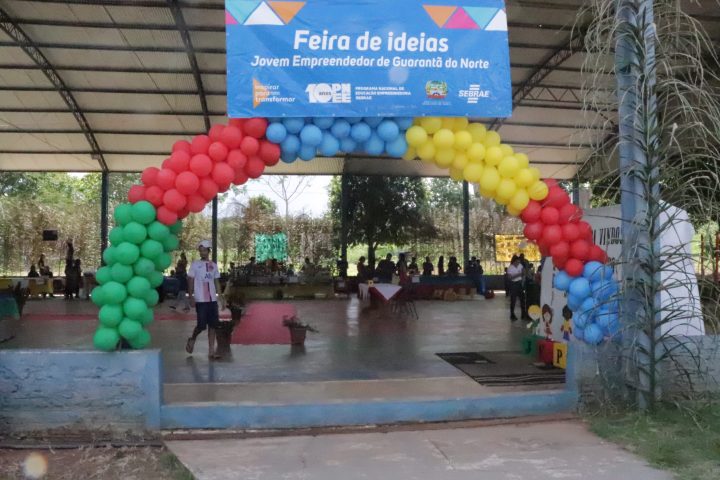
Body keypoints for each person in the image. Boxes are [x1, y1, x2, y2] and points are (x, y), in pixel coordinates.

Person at [185, 240, 225, 359]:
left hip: (212, 300)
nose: (202, 253)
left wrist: (221, 297)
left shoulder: (213, 265)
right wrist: (191, 296)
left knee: (213, 325)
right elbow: (190, 280)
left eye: (204, 250)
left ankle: (211, 351)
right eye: (200, 251)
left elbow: (216, 282)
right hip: (200, 300)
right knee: (201, 325)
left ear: (209, 251)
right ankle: (192, 339)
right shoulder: (195, 265)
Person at [507, 255, 527, 321]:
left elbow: (523, 272)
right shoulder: (510, 268)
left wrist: (523, 272)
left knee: (522, 299)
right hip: (513, 284)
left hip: (519, 283)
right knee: (513, 300)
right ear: (514, 261)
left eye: (519, 262)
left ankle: (523, 314)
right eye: (517, 262)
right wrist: (519, 274)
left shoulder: (520, 265)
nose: (518, 263)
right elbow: (510, 278)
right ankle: (512, 315)